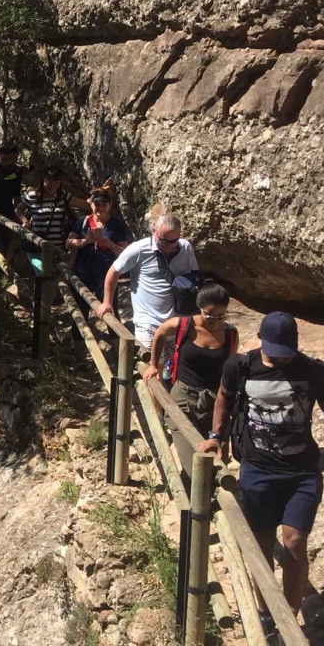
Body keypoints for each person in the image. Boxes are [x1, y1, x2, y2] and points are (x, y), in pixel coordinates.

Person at [198, 312, 324, 646]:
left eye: (287, 352)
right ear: (260, 340)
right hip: (256, 471)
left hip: (302, 472)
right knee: (259, 548)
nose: (281, 358)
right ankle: (267, 614)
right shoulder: (240, 366)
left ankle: (288, 626)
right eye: (275, 352)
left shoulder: (315, 371)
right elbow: (223, 400)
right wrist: (215, 437)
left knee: (293, 542)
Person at [146, 282, 239, 468]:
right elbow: (160, 333)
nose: (216, 320)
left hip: (215, 401)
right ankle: (190, 492)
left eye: (221, 315)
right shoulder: (184, 325)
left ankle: (210, 494)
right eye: (210, 315)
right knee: (191, 462)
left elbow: (230, 367)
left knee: (218, 460)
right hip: (183, 398)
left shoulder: (230, 334)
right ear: (200, 309)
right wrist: (153, 364)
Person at [96, 213, 197, 354]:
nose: (170, 246)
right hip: (148, 322)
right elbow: (113, 272)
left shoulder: (185, 248)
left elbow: (193, 277)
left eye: (174, 241)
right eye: (164, 241)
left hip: (177, 321)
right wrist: (107, 302)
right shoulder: (138, 249)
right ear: (153, 231)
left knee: (172, 369)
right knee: (152, 369)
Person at [18, 164, 84, 275]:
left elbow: (84, 204)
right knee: (42, 274)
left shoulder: (63, 196)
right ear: (43, 180)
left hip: (58, 247)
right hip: (37, 245)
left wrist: (100, 193)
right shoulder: (33, 196)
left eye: (56, 181)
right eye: (49, 180)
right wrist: (24, 221)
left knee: (55, 277)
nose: (52, 185)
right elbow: (18, 209)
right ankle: (39, 292)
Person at [66, 186, 130, 299]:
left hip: (107, 275)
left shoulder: (117, 225)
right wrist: (84, 241)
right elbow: (68, 243)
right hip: (82, 274)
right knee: (81, 310)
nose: (100, 208)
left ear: (110, 205)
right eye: (97, 204)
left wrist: (110, 244)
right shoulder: (83, 221)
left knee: (109, 311)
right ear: (91, 204)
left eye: (104, 205)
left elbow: (124, 254)